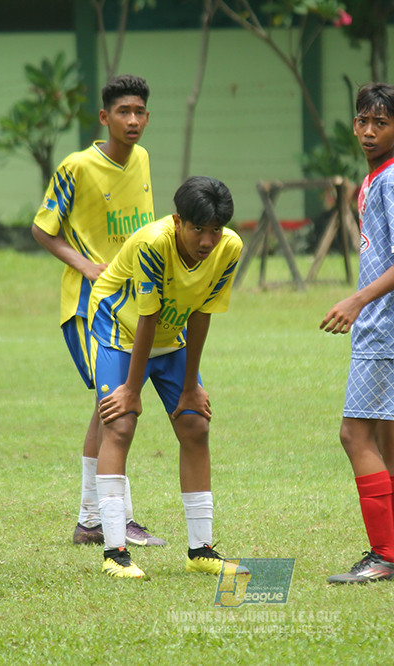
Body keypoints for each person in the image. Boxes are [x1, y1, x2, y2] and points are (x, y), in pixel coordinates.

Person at [87, 176, 245, 579]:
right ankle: (114, 552)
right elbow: (147, 315)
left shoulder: (230, 248)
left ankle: (201, 549)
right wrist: (131, 390)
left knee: (195, 426)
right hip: (117, 329)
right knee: (119, 425)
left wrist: (191, 387)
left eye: (215, 230)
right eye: (197, 229)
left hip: (171, 334)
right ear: (178, 222)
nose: (207, 240)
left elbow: (202, 312)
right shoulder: (153, 243)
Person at [32, 74, 165, 548]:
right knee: (114, 404)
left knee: (109, 404)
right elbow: (42, 229)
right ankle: (106, 520)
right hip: (91, 305)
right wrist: (86, 265)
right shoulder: (76, 167)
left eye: (140, 112)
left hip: (137, 301)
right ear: (104, 117)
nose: (133, 121)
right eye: (123, 112)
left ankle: (93, 519)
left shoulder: (144, 159)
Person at [321, 83, 394, 584]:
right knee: (391, 436)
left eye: (382, 124)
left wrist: (358, 299)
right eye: (363, 122)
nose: (370, 131)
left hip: (388, 325)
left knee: (354, 433)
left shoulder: (393, 180)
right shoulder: (377, 178)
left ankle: (384, 555)